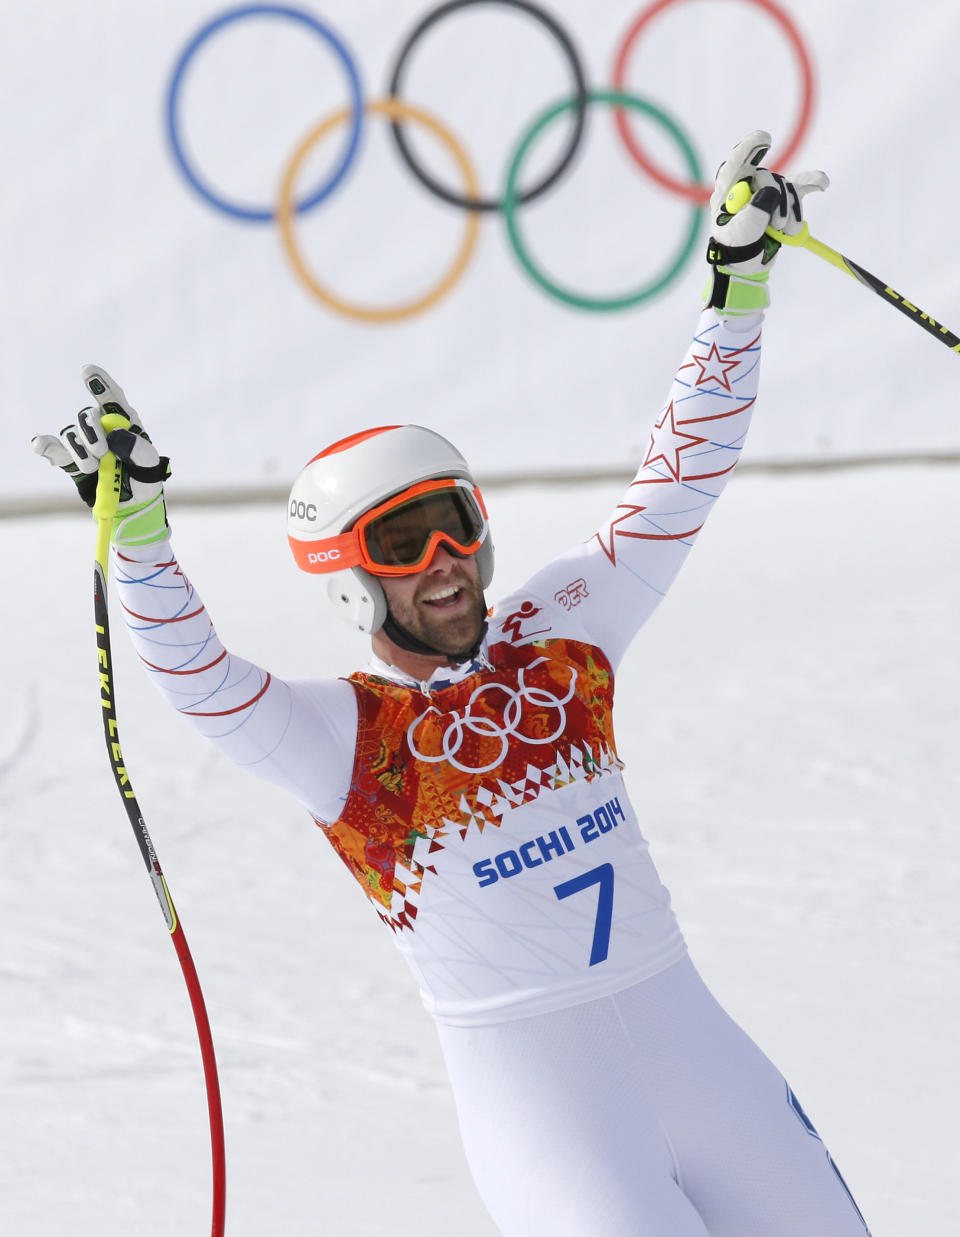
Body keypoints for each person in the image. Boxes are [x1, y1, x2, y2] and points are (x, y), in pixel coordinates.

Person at [33, 132, 872, 1236]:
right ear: (348, 579)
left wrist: (737, 286)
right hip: (551, 1109)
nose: (445, 565)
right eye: (403, 541)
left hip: (697, 1050)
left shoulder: (565, 636)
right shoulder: (346, 738)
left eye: (456, 522)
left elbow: (680, 478)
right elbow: (198, 675)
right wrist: (137, 534)